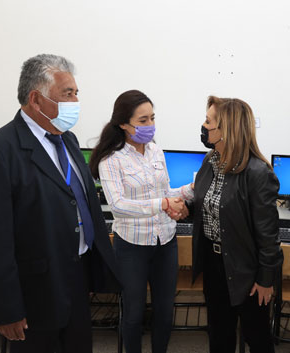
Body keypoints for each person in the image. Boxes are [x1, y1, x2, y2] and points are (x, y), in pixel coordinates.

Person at [0, 54, 120, 353]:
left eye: (76, 93)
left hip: (76, 277)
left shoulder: (68, 140)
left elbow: (78, 201)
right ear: (36, 100)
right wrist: (6, 309)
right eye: (68, 94)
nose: (76, 101)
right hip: (33, 291)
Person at [89, 89, 192, 353]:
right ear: (124, 124)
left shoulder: (156, 151)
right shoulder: (111, 159)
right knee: (133, 314)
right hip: (131, 246)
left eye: (152, 118)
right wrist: (163, 204)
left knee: (164, 312)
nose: (150, 126)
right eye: (143, 121)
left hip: (165, 241)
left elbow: (165, 192)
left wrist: (191, 189)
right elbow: (119, 206)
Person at [190, 96, 283, 353]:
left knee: (258, 338)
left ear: (226, 129)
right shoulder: (210, 162)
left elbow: (268, 234)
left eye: (209, 121)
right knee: (219, 335)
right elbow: (209, 206)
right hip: (214, 262)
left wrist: (266, 279)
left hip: (246, 268)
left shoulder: (257, 173)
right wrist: (183, 209)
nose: (204, 125)